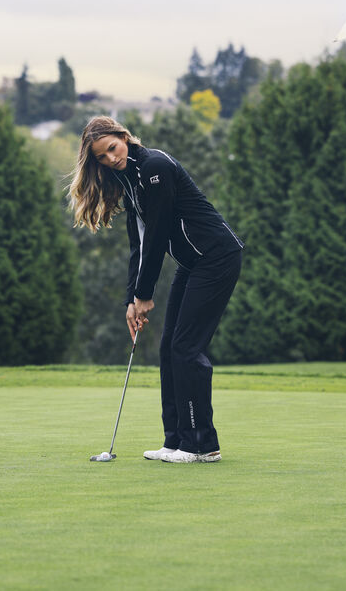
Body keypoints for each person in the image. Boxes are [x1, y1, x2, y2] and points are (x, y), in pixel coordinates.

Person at [69, 116, 243, 463]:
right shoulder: (128, 179)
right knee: (169, 349)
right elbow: (139, 243)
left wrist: (145, 294)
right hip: (193, 263)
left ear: (123, 136)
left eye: (112, 149)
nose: (111, 159)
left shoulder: (154, 167)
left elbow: (158, 232)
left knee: (186, 348)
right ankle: (175, 439)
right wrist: (132, 299)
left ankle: (201, 445)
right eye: (102, 157)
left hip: (216, 257)